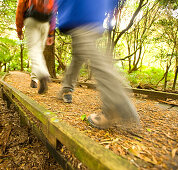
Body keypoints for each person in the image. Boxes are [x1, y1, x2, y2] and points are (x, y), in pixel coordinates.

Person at [56, 0, 140, 129]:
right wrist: (113, 6)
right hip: (94, 11)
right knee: (78, 55)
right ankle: (66, 89)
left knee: (90, 52)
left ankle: (115, 104)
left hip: (80, 10)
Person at [16, 0, 56, 94]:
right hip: (45, 22)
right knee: (38, 53)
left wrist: (19, 29)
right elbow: (53, 13)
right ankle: (34, 80)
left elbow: (20, 7)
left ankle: (42, 74)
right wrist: (51, 33)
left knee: (34, 51)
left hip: (31, 20)